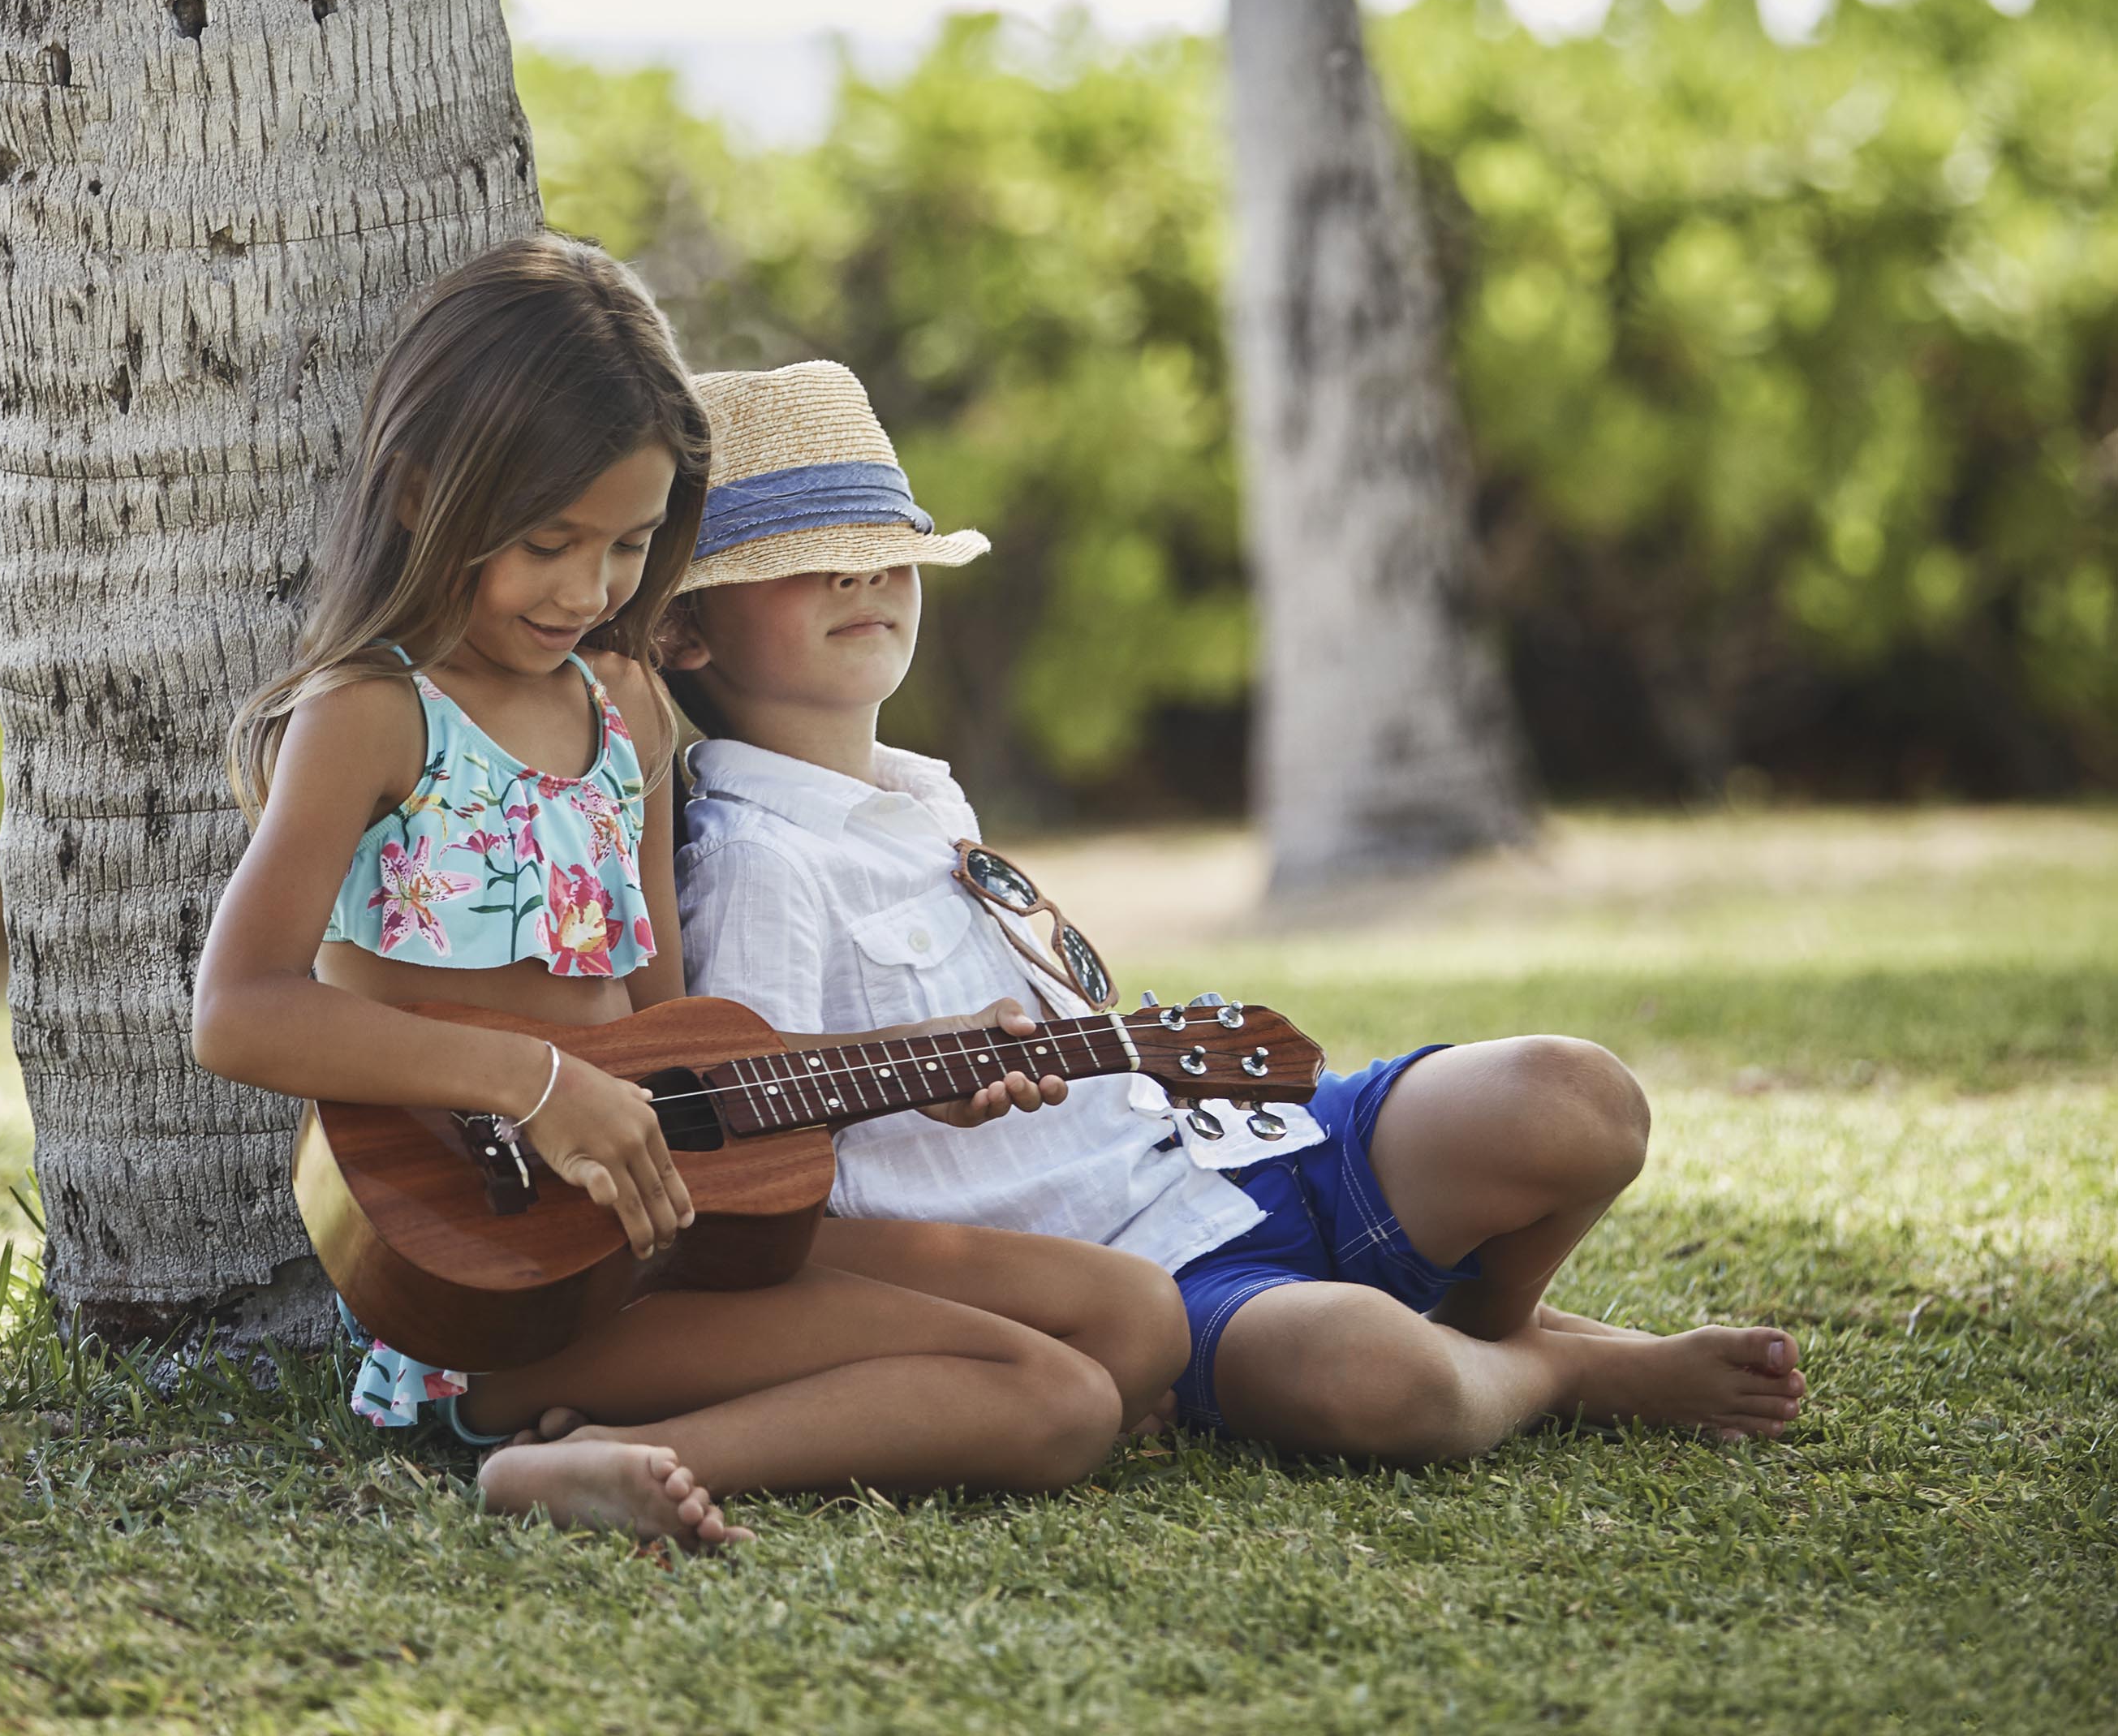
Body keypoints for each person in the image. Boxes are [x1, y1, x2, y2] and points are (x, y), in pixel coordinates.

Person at [192, 238, 1184, 1555]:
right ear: (427, 492)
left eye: (631, 546)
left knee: (1137, 1321)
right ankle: (580, 1457)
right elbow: (239, 1013)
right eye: (551, 542)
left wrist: (896, 1069)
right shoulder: (373, 716)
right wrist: (539, 1087)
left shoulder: (631, 707)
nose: (591, 589)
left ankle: (657, 1423)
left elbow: (678, 1047)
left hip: (663, 1225)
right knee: (1055, 1400)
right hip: (504, 1276)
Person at [669, 360, 1810, 1465]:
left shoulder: (926, 797)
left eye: (886, 555)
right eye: (809, 561)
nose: (864, 580)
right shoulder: (756, 862)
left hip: (1235, 1147)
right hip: (1139, 1274)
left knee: (1578, 1100)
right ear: (683, 631)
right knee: (1381, 1382)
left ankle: (1494, 1325)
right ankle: (1560, 1371)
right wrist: (928, 1104)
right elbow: (751, 1158)